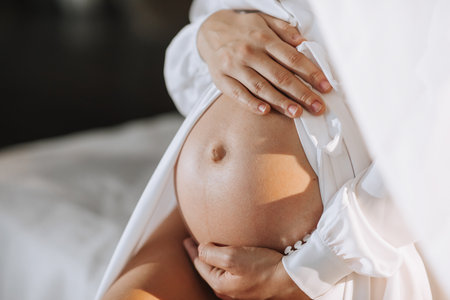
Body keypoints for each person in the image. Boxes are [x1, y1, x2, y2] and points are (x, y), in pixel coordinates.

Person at [96, 1, 432, 299]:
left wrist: (311, 267)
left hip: (340, 251)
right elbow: (192, 86)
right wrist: (207, 37)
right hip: (195, 247)